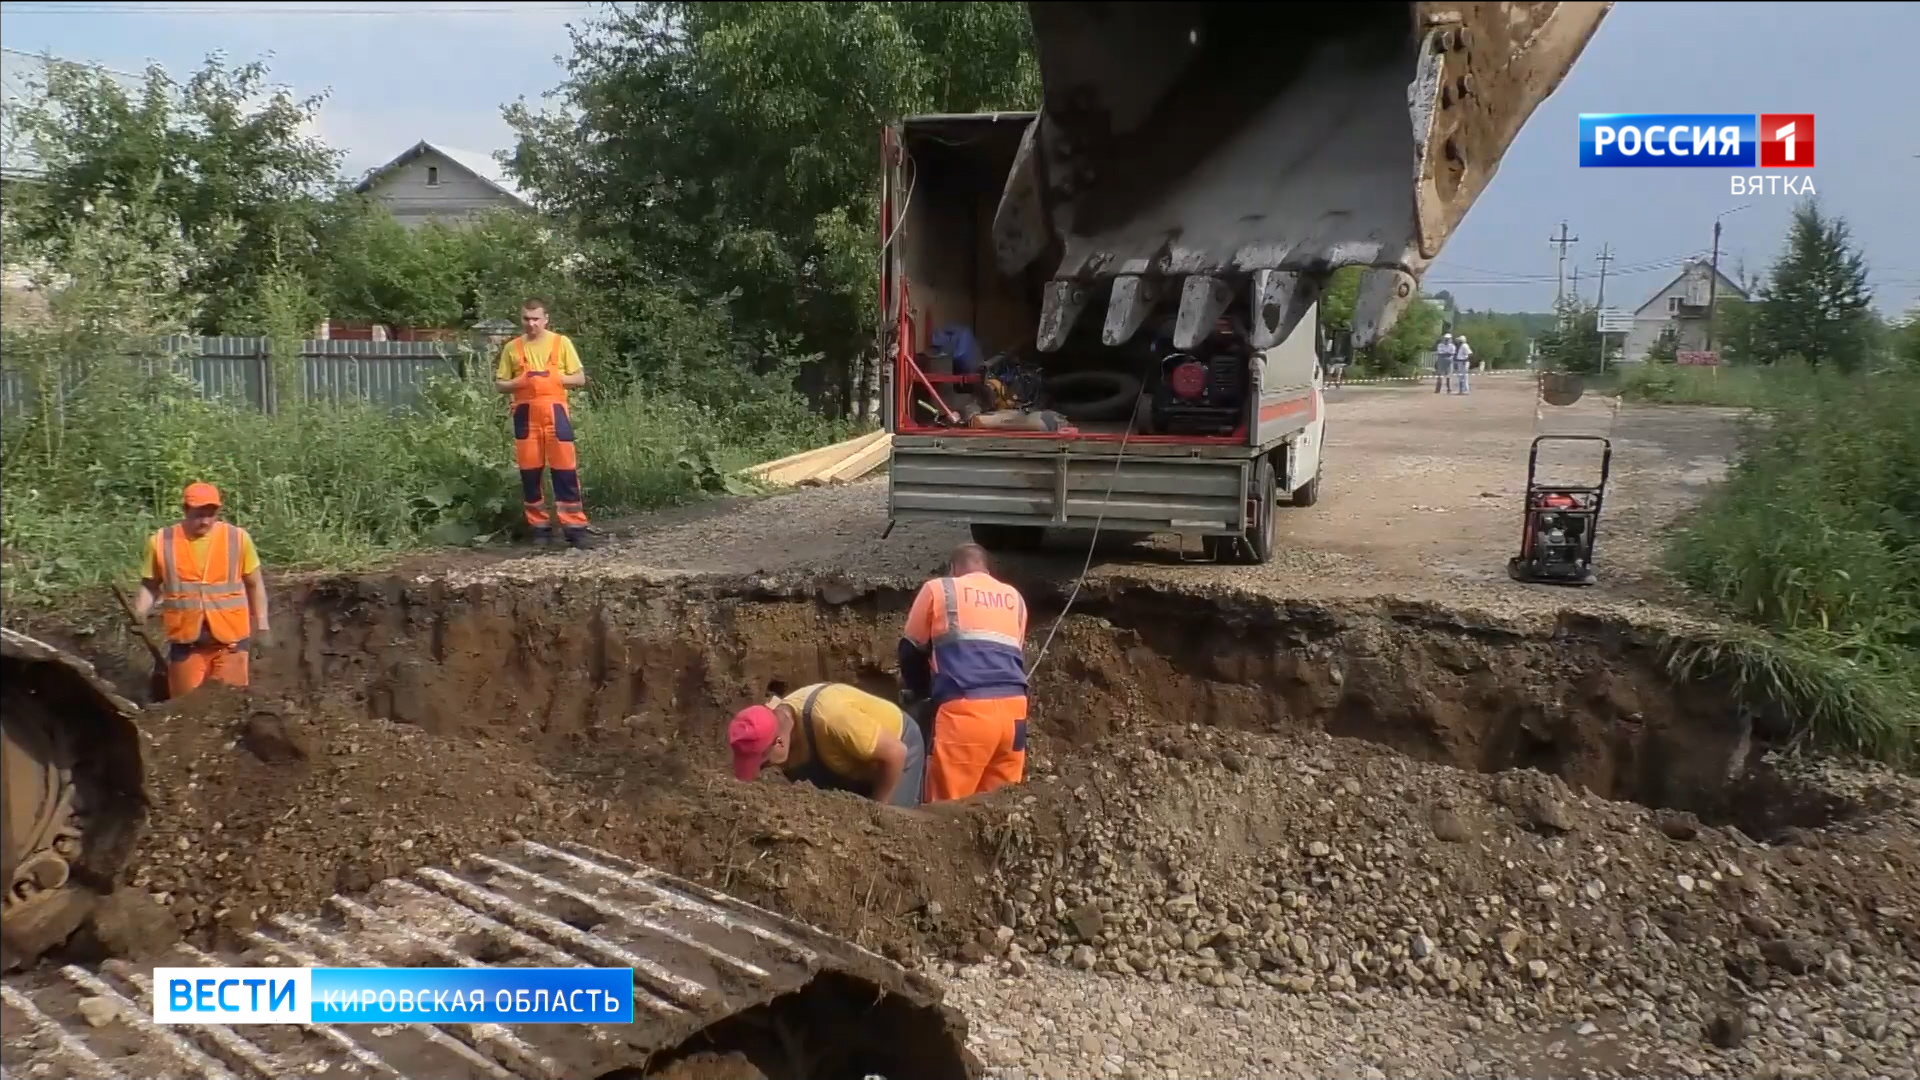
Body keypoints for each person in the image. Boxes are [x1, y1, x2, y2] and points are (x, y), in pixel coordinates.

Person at [899, 543, 1030, 802]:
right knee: (998, 807)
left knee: (947, 812)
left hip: (965, 714)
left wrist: (920, 692)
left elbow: (910, 650)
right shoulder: (1015, 599)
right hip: (1015, 715)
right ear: (987, 569)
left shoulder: (940, 588)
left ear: (953, 568)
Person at [132, 482, 271, 697]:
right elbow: (150, 586)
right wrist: (140, 612)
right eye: (199, 514)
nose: (205, 521)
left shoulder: (237, 539)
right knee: (185, 712)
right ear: (186, 510)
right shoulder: (161, 542)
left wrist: (262, 626)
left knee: (230, 708)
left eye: (211, 514)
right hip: (187, 643)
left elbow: (255, 584)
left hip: (230, 642)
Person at [728, 680, 927, 807]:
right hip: (854, 758)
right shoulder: (779, 722)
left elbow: (896, 753)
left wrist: (878, 811)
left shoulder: (832, 720)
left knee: (894, 826)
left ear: (779, 743)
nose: (762, 770)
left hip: (898, 746)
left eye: (763, 764)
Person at [494, 298, 592, 550]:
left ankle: (575, 529)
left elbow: (580, 379)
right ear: (521, 319)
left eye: (536, 318)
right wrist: (521, 382)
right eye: (526, 319)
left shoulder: (561, 343)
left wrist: (554, 378)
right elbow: (500, 384)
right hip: (525, 417)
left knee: (565, 470)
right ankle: (540, 529)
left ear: (546, 319)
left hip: (555, 414)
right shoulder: (512, 348)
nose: (531, 323)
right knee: (530, 473)